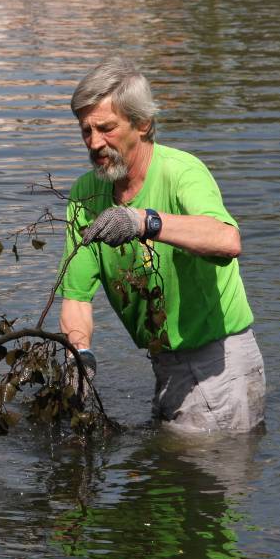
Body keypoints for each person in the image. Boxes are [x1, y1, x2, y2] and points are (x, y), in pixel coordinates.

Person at [58, 56, 265, 432]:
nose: (94, 143)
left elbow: (226, 239)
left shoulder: (181, 172)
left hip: (217, 366)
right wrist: (80, 356)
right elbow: (76, 296)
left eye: (105, 128)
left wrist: (143, 221)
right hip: (164, 363)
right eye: (85, 131)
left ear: (143, 124)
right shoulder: (85, 196)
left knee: (203, 479)